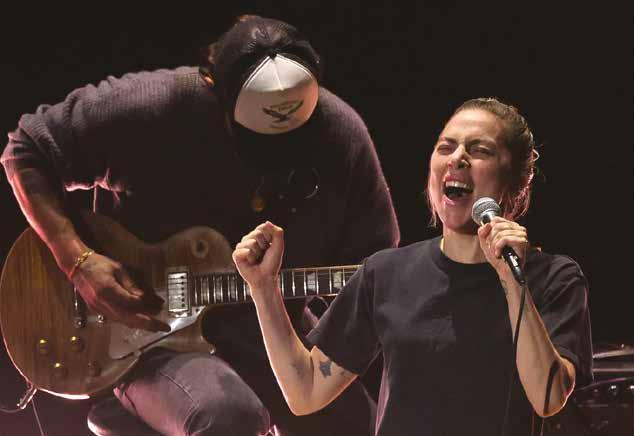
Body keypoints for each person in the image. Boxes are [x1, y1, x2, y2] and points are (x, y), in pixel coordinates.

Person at [1, 15, 400, 436]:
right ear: (214, 92)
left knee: (365, 425)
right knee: (228, 416)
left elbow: (374, 269)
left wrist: (329, 355)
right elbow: (26, 149)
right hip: (143, 336)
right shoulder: (156, 107)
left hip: (272, 327)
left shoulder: (342, 137)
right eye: (257, 145)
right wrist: (77, 262)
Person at [234, 97, 593, 436]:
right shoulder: (386, 274)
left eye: (480, 150)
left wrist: (512, 281)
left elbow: (549, 398)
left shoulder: (553, 278)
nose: (458, 158)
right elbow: (306, 390)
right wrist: (263, 289)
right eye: (446, 147)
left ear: (514, 181)